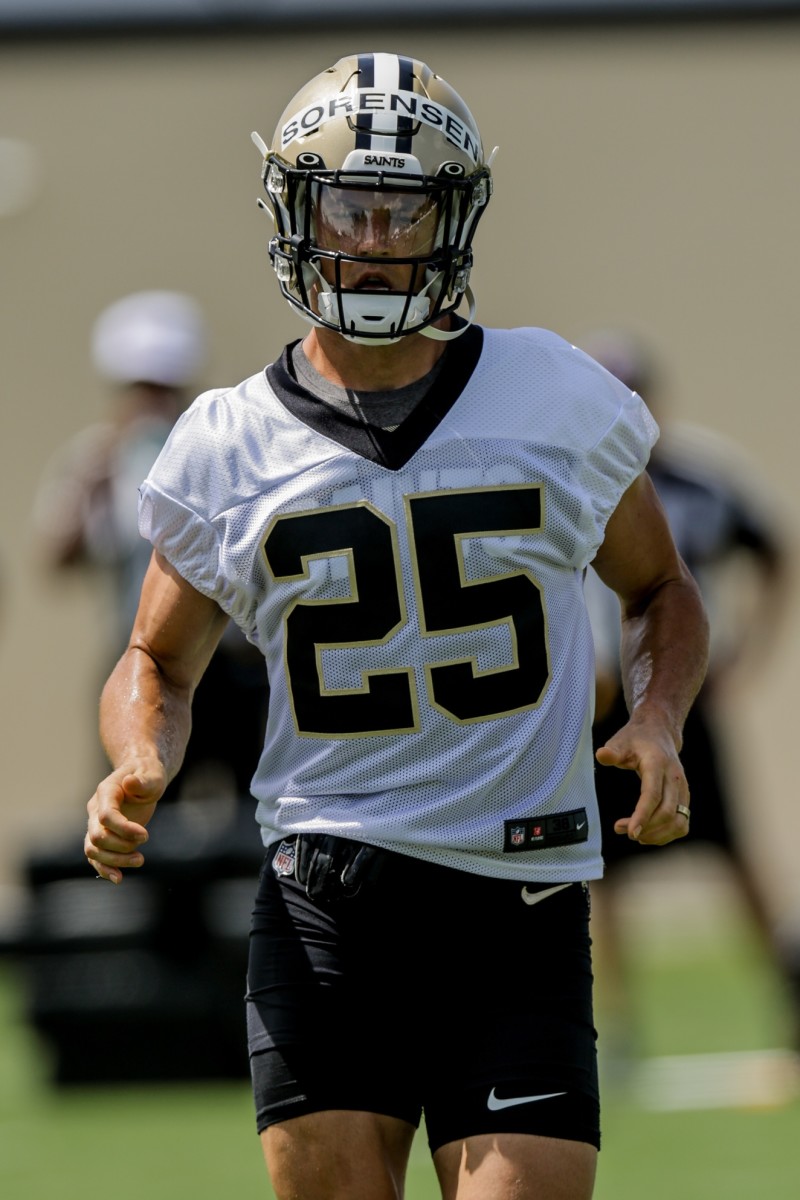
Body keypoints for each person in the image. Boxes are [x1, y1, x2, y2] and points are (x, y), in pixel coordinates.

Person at [83, 54, 708, 1200]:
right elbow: (150, 661)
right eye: (345, 206)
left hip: (515, 894)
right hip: (327, 895)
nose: (371, 238)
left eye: (402, 207)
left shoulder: (554, 397)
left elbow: (661, 590)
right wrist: (137, 755)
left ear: (453, 216)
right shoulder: (224, 444)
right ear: (292, 212)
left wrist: (659, 715)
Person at [579, 329, 797, 1064]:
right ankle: (620, 1025)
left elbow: (771, 551)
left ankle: (788, 997)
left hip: (680, 699)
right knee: (602, 864)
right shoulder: (570, 478)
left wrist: (749, 654)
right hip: (606, 704)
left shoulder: (703, 478)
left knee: (734, 850)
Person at [33, 290, 268, 802]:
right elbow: (55, 556)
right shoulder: (98, 460)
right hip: (136, 658)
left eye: (163, 388)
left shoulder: (215, 453)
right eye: (141, 388)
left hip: (224, 663)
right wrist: (94, 478)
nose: (152, 401)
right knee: (138, 795)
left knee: (251, 806)